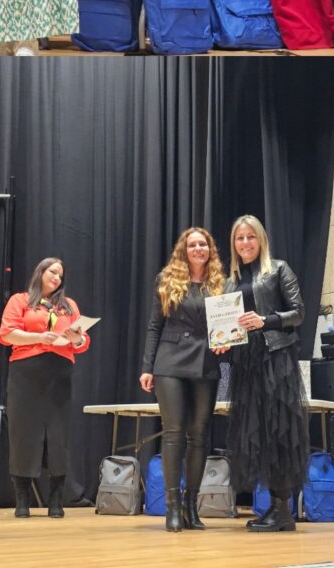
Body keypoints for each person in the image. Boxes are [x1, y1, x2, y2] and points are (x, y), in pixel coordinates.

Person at [223, 214, 308, 532]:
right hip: (246, 363)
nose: (245, 243)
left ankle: (283, 510)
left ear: (261, 239)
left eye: (250, 236)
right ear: (234, 244)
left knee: (279, 431)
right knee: (257, 434)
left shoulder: (279, 269)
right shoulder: (230, 281)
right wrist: (222, 340)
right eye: (239, 238)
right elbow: (227, 324)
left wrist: (265, 321)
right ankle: (274, 507)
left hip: (276, 359)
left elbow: (299, 313)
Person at [139, 228, 226, 532]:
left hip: (206, 362)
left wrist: (226, 342)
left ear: (210, 249)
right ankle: (172, 506)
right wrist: (147, 367)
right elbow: (154, 326)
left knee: (199, 435)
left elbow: (227, 325)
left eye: (203, 244)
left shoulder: (221, 283)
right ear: (184, 250)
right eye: (192, 245)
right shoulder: (167, 280)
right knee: (174, 432)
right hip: (170, 362)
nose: (198, 248)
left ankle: (191, 504)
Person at [0, 257, 90, 518]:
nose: (57, 278)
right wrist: (40, 337)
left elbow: (83, 342)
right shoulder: (21, 300)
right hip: (26, 373)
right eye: (53, 272)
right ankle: (22, 499)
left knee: (59, 437)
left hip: (59, 374)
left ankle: (56, 500)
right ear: (41, 272)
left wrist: (78, 338)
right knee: (23, 434)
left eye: (61, 275)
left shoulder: (68, 306)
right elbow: (7, 333)